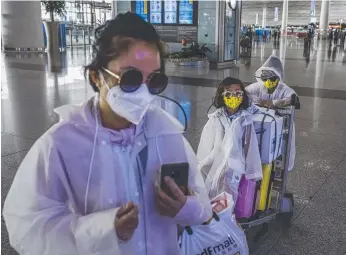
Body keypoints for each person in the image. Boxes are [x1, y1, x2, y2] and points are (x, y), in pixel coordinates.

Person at [3, 12, 212, 255]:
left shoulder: (167, 134)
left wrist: (185, 207)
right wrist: (103, 230)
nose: (144, 92)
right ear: (97, 76)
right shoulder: (61, 144)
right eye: (131, 77)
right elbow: (25, 228)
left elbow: (203, 205)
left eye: (154, 80)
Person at [197, 77, 263, 201]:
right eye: (228, 92)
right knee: (202, 177)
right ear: (222, 96)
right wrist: (201, 163)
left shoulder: (245, 120)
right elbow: (206, 144)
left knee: (226, 190)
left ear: (242, 96)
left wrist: (253, 172)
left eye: (237, 92)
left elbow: (251, 147)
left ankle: (224, 215)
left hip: (234, 162)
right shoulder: (215, 118)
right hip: (215, 158)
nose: (233, 96)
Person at [245, 55, 296, 171]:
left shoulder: (284, 90)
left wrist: (273, 103)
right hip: (261, 126)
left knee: (279, 151)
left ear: (278, 77)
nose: (268, 82)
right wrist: (260, 101)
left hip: (281, 128)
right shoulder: (257, 87)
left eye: (272, 79)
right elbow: (245, 92)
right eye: (265, 78)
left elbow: (292, 98)